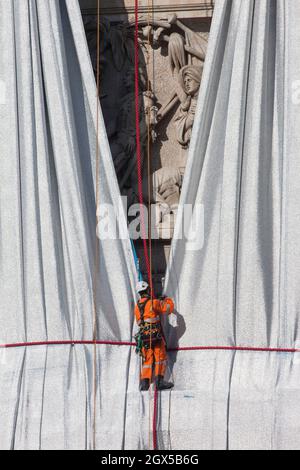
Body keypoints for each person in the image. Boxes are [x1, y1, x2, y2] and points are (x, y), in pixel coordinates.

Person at [135, 281, 175, 391]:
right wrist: (166, 299)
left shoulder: (136, 307)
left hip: (144, 339)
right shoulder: (154, 303)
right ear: (148, 290)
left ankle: (144, 383)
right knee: (160, 358)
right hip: (155, 337)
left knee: (147, 360)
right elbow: (168, 308)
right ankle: (159, 382)